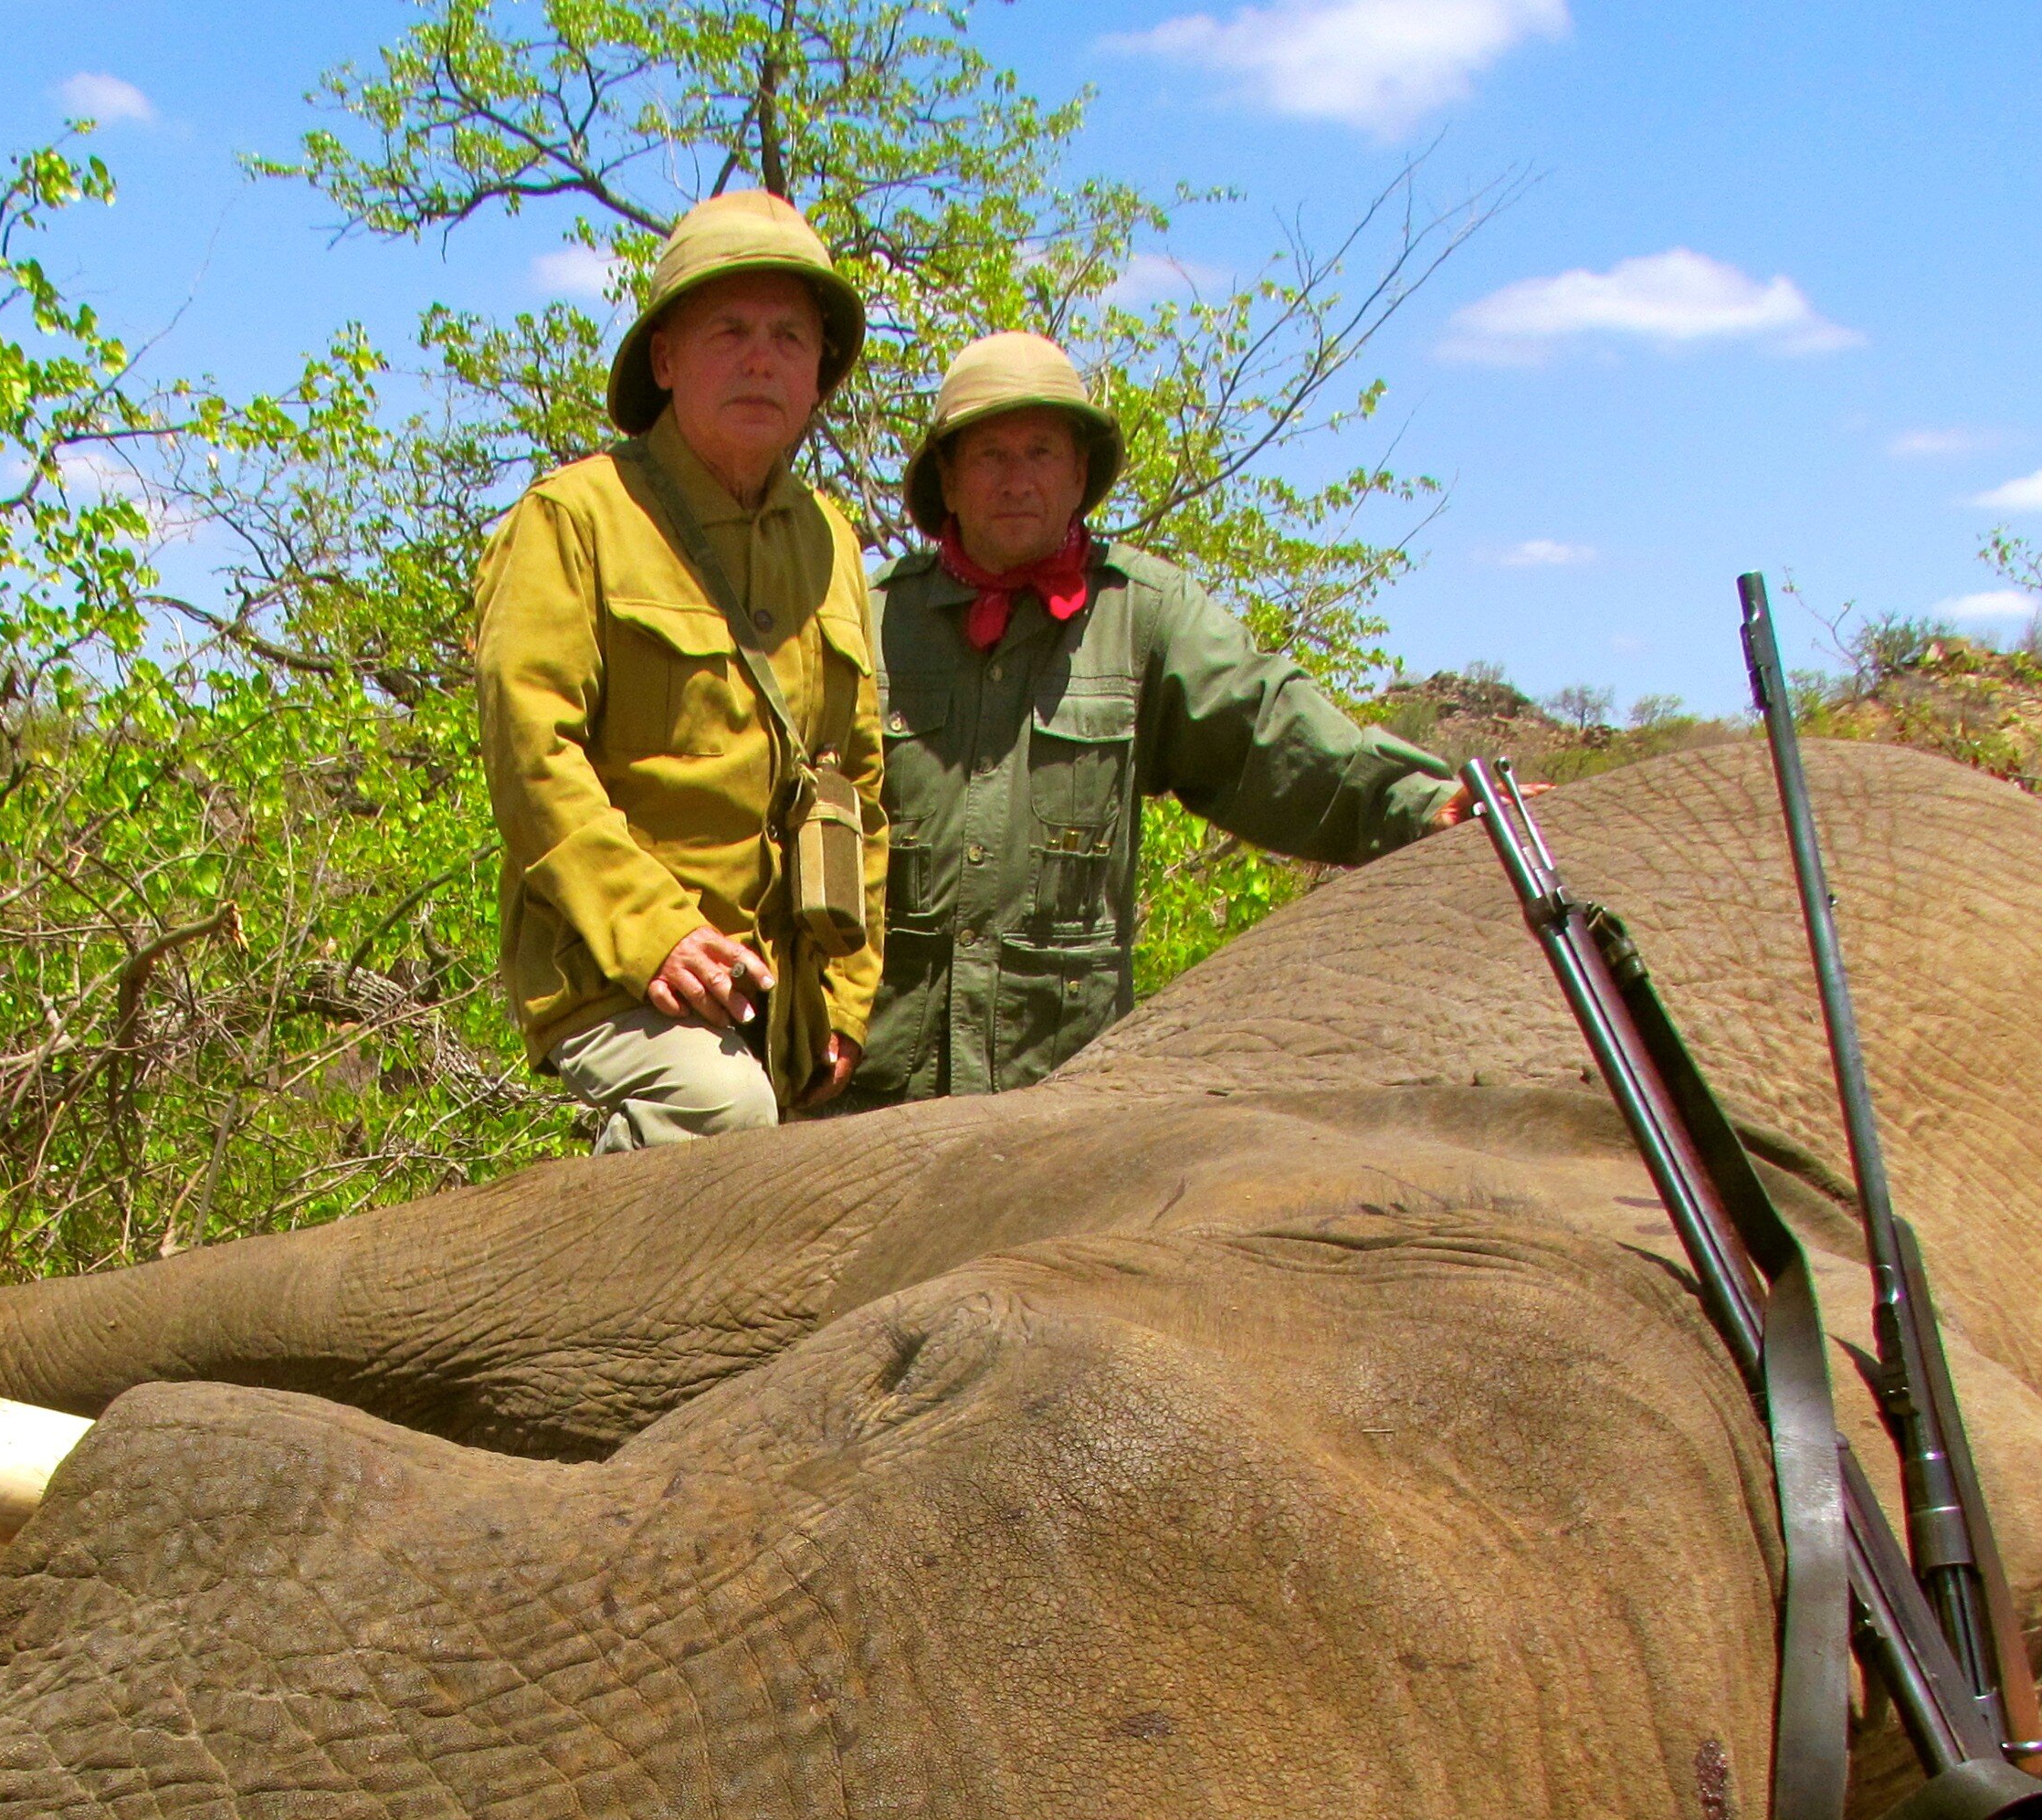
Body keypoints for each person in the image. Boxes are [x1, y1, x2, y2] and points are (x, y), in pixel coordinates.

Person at [849, 331, 1458, 1108]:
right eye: (989, 455)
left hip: (1064, 1090)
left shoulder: (1146, 615)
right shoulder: (868, 622)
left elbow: (1265, 731)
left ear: (1078, 476)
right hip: (869, 1094)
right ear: (949, 478)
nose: (1017, 480)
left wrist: (1421, 805)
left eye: (1041, 452)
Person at [472, 192, 886, 1152]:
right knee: (720, 1110)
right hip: (616, 980)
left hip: (786, 1000)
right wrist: (654, 933)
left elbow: (859, 785)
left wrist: (851, 1004)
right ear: (665, 360)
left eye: (790, 335)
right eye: (729, 330)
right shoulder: (575, 518)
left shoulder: (831, 541)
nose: (761, 357)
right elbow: (534, 756)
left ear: (818, 371)